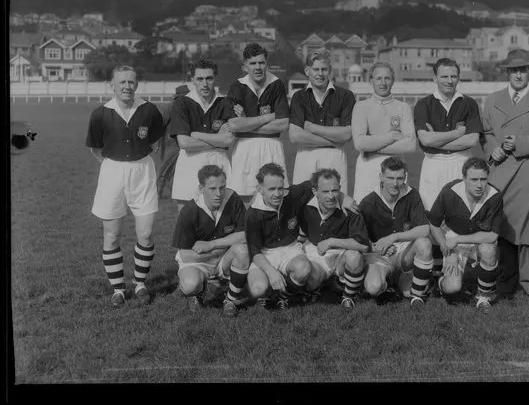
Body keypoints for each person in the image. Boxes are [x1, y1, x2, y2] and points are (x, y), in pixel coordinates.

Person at [480, 48, 529, 297]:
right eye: (514, 70)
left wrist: (520, 143)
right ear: (507, 72)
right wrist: (493, 149)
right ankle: (505, 280)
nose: (518, 75)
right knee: (501, 225)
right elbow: (486, 132)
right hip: (500, 170)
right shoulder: (492, 100)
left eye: (523, 69)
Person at [85, 65, 165, 308]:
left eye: (131, 82)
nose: (127, 86)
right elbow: (95, 149)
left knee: (146, 233)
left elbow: (155, 142)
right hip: (112, 172)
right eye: (122, 82)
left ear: (137, 84)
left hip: (142, 171)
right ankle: (118, 289)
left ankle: (140, 283)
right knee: (112, 234)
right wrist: (115, 165)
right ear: (112, 85)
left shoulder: (149, 110)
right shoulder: (100, 113)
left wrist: (134, 161)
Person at [245, 163, 358, 310]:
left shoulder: (292, 195)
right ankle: (266, 291)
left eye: (280, 188)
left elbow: (319, 184)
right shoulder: (252, 213)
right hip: (265, 253)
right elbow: (254, 251)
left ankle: (284, 296)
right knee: (258, 289)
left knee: (303, 268)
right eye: (271, 189)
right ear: (259, 189)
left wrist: (343, 197)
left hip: (290, 249)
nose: (278, 193)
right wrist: (270, 271)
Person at [427, 157, 503, 313]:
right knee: (453, 288)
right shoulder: (450, 192)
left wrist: (458, 240)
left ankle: (483, 297)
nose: (479, 185)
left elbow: (492, 236)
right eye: (474, 179)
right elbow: (433, 224)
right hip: (451, 243)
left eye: (483, 179)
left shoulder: (494, 196)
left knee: (489, 249)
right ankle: (439, 282)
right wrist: (448, 250)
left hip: (476, 241)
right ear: (463, 178)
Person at [171, 165, 249, 315]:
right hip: (198, 261)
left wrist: (211, 245)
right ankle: (200, 291)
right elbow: (186, 255)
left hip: (223, 257)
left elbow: (244, 235)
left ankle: (230, 299)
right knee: (190, 285)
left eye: (222, 187)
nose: (218, 193)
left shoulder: (233, 199)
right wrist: (220, 249)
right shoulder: (189, 211)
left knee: (242, 251)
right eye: (212, 188)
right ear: (201, 188)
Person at [358, 156, 434, 306]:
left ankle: (415, 296)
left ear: (405, 177)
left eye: (400, 178)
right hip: (380, 256)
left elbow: (425, 229)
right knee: (373, 288)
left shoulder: (412, 195)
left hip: (404, 254)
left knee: (424, 243)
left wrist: (395, 237)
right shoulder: (369, 202)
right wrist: (376, 247)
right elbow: (358, 237)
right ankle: (388, 282)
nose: (395, 183)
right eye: (390, 178)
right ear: (381, 177)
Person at [224, 44, 290, 205]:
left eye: (261, 62)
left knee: (275, 198)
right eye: (253, 63)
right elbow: (233, 125)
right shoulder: (237, 86)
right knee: (245, 200)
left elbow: (283, 124)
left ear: (267, 63)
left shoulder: (277, 84)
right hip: (244, 149)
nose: (258, 67)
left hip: (272, 147)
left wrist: (246, 121)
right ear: (245, 66)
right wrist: (270, 116)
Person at [414, 58, 482, 210]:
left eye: (453, 76)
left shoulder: (469, 103)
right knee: (431, 211)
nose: (449, 81)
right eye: (444, 76)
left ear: (459, 78)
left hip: (462, 161)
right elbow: (425, 140)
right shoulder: (423, 104)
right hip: (433, 163)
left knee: (461, 212)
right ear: (435, 78)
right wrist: (458, 133)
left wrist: (436, 140)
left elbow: (472, 140)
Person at [169, 59, 235, 212]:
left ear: (215, 78)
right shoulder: (182, 103)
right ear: (192, 80)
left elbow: (229, 140)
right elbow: (184, 143)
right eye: (200, 79)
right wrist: (218, 141)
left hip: (219, 164)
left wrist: (197, 135)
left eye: (209, 78)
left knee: (220, 220)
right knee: (187, 221)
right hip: (189, 164)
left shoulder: (225, 102)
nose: (205, 84)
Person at [299, 168, 370, 309]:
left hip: (340, 256)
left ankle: (348, 297)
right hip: (316, 253)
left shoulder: (351, 209)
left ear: (340, 189)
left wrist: (331, 241)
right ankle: (327, 285)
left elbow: (363, 245)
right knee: (311, 280)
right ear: (315, 192)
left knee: (354, 257)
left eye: (335, 190)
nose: (331, 196)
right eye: (325, 191)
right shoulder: (304, 205)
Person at [289, 49, 356, 194]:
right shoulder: (298, 97)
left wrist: (312, 127)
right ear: (307, 71)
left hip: (335, 158)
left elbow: (346, 135)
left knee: (335, 203)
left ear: (330, 70)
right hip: (306, 156)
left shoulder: (346, 96)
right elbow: (295, 136)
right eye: (315, 69)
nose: (320, 73)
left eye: (324, 69)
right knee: (303, 204)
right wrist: (334, 139)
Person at [351, 62, 416, 202]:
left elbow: (410, 145)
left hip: (396, 169)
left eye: (387, 78)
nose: (383, 82)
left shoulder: (404, 107)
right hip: (368, 167)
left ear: (393, 81)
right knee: (365, 212)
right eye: (379, 78)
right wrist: (392, 136)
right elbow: (360, 143)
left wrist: (373, 147)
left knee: (397, 212)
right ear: (371, 81)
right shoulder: (361, 107)